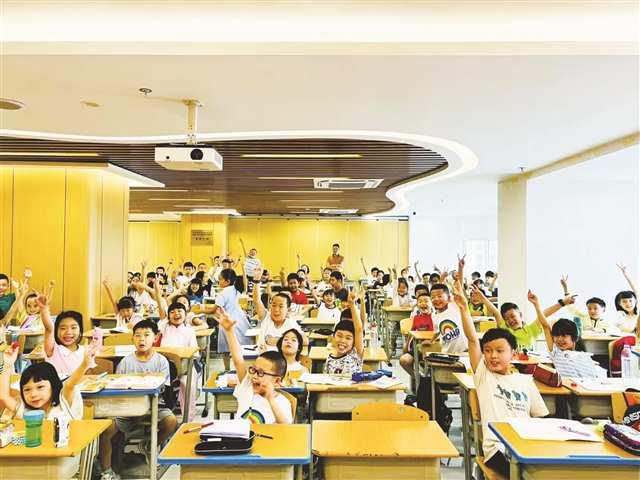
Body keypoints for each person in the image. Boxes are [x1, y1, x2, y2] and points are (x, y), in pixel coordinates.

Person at [455, 278, 548, 479]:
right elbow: (472, 340)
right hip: (497, 447)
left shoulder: (525, 381)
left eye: (499, 351)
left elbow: (540, 419)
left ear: (513, 354)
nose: (493, 356)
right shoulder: (484, 375)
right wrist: (463, 308)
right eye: (488, 351)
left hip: (526, 443)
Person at [113, 320, 177, 468]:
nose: (141, 339)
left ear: (155, 338)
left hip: (155, 406)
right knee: (110, 427)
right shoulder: (125, 362)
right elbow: (118, 386)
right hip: (129, 407)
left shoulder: (161, 361)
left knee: (171, 421)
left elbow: (163, 388)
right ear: (132, 339)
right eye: (137, 335)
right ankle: (114, 462)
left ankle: (149, 445)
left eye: (147, 335)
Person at [216, 307, 293, 424]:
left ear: (277, 381)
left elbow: (285, 429)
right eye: (254, 370)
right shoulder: (247, 386)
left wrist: (270, 399)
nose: (255, 376)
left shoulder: (282, 402)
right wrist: (229, 331)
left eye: (261, 373)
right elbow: (238, 361)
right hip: (239, 436)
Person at [253, 267, 305, 350]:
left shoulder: (290, 323)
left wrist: (278, 341)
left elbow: (305, 340)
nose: (276, 310)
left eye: (281, 306)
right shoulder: (266, 317)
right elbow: (256, 300)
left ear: (288, 310)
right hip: (263, 356)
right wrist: (256, 281)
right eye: (273, 305)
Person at [40, 294, 86, 378]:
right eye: (63, 328)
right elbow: (49, 329)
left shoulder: (85, 351)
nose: (68, 332)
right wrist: (44, 309)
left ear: (80, 331)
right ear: (56, 331)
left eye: (73, 328)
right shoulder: (53, 350)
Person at [215, 268, 251, 370]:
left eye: (220, 279)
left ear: (227, 281)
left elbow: (216, 309)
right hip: (240, 321)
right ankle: (242, 369)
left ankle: (227, 370)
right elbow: (245, 284)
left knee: (226, 350)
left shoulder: (223, 293)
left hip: (228, 321)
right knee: (241, 348)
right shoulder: (236, 289)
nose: (218, 281)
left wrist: (200, 310)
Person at [324, 291, 364, 374]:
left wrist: (352, 304)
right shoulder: (329, 359)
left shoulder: (355, 355)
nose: (342, 340)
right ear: (333, 338)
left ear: (354, 342)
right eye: (339, 336)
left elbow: (359, 329)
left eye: (348, 338)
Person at [399, 292, 434, 385]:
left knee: (429, 366)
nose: (423, 303)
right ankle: (419, 380)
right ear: (417, 305)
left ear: (431, 303)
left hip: (431, 348)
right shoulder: (416, 318)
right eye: (420, 302)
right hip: (417, 348)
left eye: (426, 301)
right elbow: (411, 333)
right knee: (404, 360)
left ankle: (427, 382)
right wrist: (406, 345)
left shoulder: (435, 317)